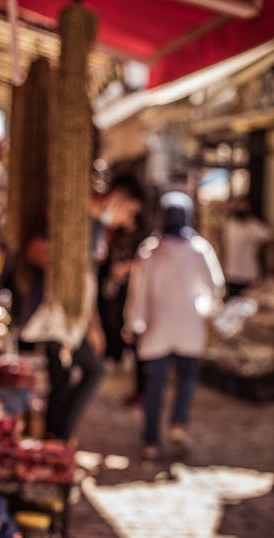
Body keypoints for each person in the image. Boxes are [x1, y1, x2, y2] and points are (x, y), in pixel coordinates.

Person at [21, 175, 144, 441]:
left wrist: (93, 324)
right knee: (92, 370)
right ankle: (60, 439)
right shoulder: (75, 218)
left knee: (62, 380)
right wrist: (68, 267)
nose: (128, 222)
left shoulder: (98, 228)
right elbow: (34, 250)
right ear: (117, 197)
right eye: (130, 212)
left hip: (72, 317)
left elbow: (87, 282)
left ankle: (54, 440)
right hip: (55, 314)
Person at [123, 191, 225, 460]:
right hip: (189, 327)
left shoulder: (150, 250)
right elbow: (216, 287)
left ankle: (151, 441)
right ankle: (178, 424)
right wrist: (205, 310)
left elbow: (138, 292)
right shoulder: (199, 249)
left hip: (157, 327)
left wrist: (133, 322)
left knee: (155, 383)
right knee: (186, 379)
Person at [222, 196, 272, 298]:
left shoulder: (254, 225)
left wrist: (260, 250)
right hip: (232, 273)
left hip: (249, 275)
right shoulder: (229, 224)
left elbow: (269, 238)